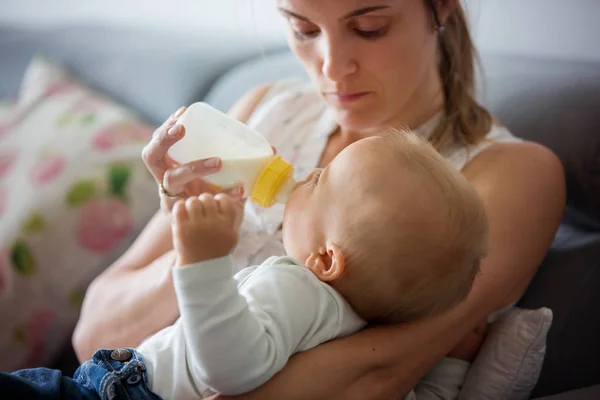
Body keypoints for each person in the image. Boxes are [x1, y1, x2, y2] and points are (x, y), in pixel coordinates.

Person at [72, 0, 566, 398]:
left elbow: (377, 375)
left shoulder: (510, 173)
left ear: (440, 7)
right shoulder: (268, 110)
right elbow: (94, 337)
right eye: (304, 29)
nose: (332, 67)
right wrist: (194, 242)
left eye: (369, 27)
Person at [0, 133, 488, 399]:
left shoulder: (293, 284)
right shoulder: (354, 330)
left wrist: (203, 262)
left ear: (325, 259)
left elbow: (230, 368)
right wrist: (456, 362)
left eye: (318, 180)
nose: (304, 177)